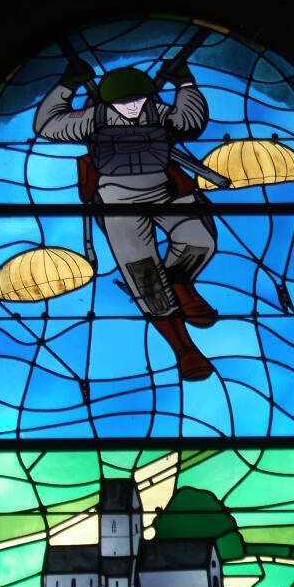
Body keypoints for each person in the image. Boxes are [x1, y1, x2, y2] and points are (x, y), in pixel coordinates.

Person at [34, 59, 217, 380]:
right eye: (123, 102)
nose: (132, 107)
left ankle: (178, 280)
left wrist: (186, 84)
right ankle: (185, 350)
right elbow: (47, 126)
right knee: (143, 273)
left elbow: (189, 122)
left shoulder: (158, 113)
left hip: (165, 187)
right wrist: (67, 85)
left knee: (200, 240)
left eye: (138, 100)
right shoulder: (92, 119)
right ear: (107, 102)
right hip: (117, 196)